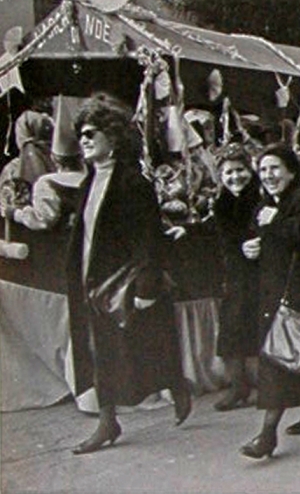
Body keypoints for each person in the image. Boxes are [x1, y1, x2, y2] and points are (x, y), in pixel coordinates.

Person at [66, 93, 191, 455]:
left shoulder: (133, 183)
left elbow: (149, 239)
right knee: (98, 350)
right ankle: (108, 423)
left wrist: (146, 286)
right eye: (81, 134)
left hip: (123, 284)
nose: (85, 139)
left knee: (145, 345)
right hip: (91, 282)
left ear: (114, 137)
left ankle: (177, 385)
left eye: (92, 132)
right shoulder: (87, 183)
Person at [239, 144, 300, 459]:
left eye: (275, 168)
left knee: (281, 359)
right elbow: (269, 238)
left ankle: (267, 435)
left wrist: (275, 221)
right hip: (275, 291)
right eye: (264, 169)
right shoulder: (269, 202)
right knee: (296, 356)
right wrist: (252, 249)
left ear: (291, 171)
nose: (268, 175)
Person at [211, 145, 261, 411]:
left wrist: (255, 244)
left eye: (240, 170)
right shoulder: (221, 203)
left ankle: (265, 384)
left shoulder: (260, 198)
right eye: (229, 172)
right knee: (231, 328)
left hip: (259, 273)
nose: (235, 177)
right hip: (235, 274)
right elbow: (223, 238)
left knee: (258, 326)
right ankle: (238, 386)